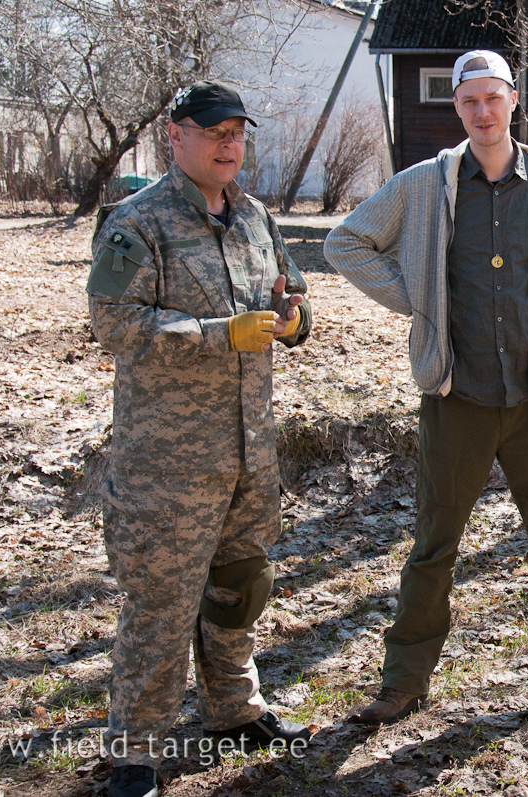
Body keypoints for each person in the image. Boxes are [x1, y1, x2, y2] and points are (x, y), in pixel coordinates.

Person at [324, 49, 528, 725]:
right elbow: (345, 243)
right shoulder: (423, 184)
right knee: (434, 547)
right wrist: (417, 297)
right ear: (458, 107)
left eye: (493, 98)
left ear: (513, 99)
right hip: (456, 401)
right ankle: (404, 680)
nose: (482, 112)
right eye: (469, 101)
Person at [87, 80, 313, 797]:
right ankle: (134, 752)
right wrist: (221, 335)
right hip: (168, 464)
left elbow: (292, 290)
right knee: (160, 604)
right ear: (174, 134)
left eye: (237, 132)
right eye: (213, 130)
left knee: (238, 591)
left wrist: (295, 320)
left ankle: (234, 710)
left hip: (249, 450)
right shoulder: (136, 220)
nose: (228, 144)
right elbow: (115, 325)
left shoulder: (253, 217)